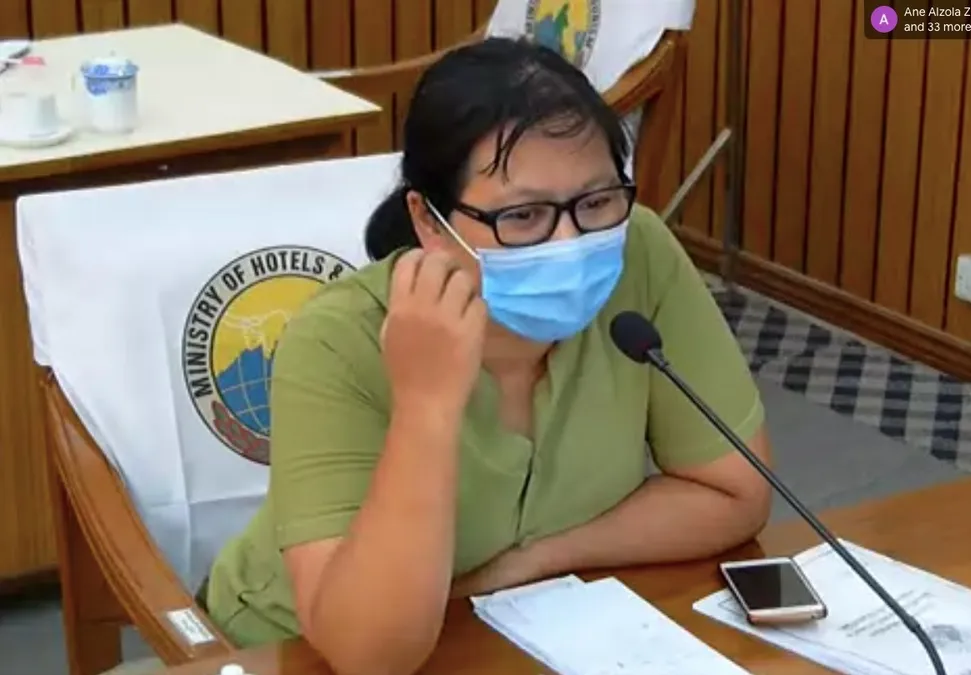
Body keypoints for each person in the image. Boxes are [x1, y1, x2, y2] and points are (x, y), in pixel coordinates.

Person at [201, 37, 774, 674]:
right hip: (286, 650)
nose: (570, 241)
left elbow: (733, 493)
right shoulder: (337, 339)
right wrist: (425, 405)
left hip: (531, 622)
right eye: (523, 216)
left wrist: (535, 560)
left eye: (595, 202)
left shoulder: (637, 251)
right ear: (428, 220)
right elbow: (369, 655)